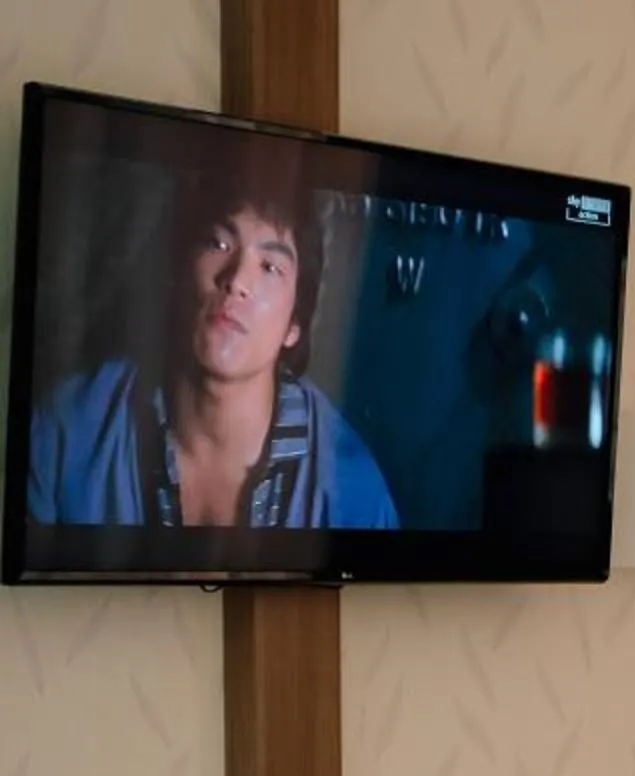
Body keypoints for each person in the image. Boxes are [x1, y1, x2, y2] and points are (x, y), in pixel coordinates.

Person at [26, 170, 398, 529]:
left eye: (270, 267)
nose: (236, 281)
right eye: (219, 244)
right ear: (178, 273)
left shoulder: (353, 492)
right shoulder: (66, 432)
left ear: (294, 325)